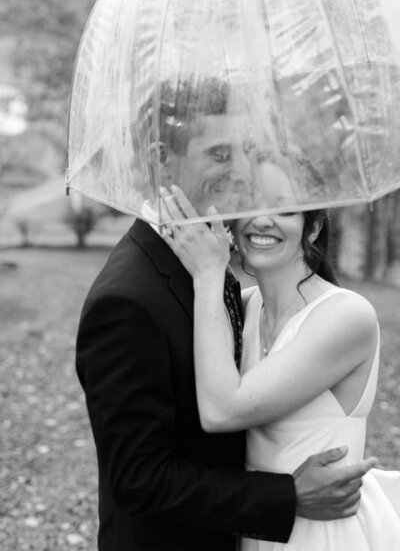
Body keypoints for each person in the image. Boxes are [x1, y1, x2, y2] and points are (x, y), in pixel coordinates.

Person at [75, 80, 376, 551]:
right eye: (219, 154)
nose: (238, 172)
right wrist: (286, 496)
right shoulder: (130, 299)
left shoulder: (213, 271)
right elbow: (138, 478)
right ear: (161, 156)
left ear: (313, 226)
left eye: (245, 151)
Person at [161, 183, 400, 550]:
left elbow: (222, 410)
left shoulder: (347, 316)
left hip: (323, 533)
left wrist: (208, 275)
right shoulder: (243, 308)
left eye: (285, 210)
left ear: (314, 227)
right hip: (260, 523)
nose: (262, 221)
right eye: (249, 207)